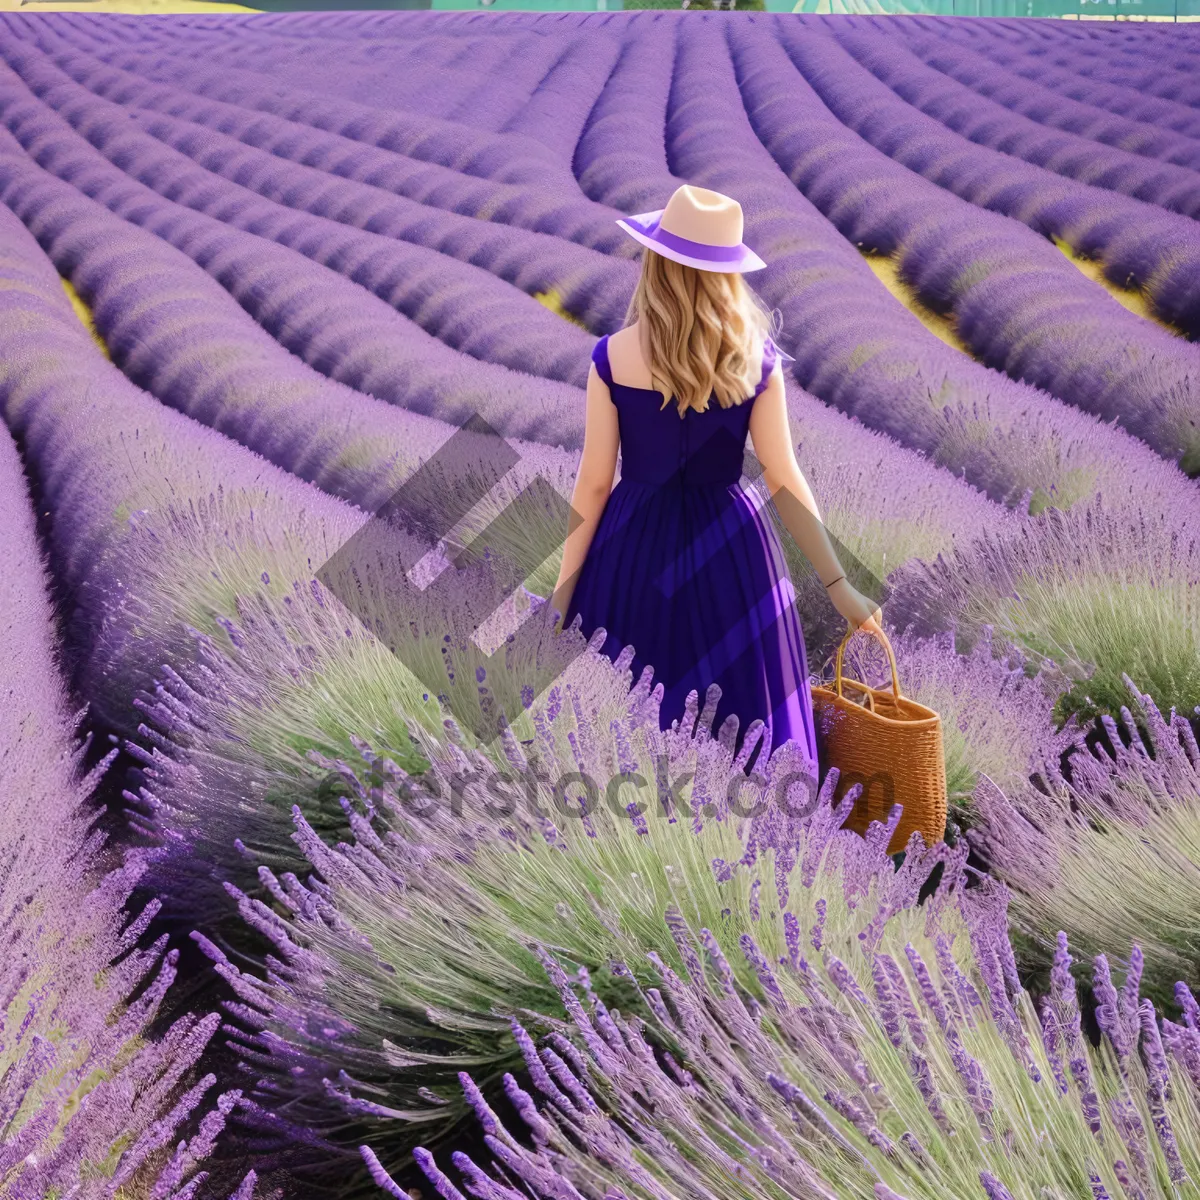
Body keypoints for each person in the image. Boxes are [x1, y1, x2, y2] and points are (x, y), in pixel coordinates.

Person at [550, 184, 883, 772]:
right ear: (728, 276)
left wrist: (562, 599)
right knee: (747, 727)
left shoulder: (611, 357)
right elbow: (783, 479)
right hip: (734, 555)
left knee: (619, 727)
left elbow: (595, 485)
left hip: (632, 552)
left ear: (656, 265)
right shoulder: (756, 363)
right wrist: (840, 589)